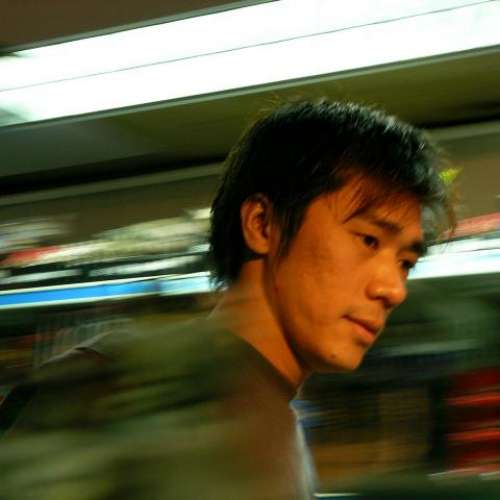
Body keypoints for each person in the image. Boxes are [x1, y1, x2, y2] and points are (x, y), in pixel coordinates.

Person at [0, 100, 453, 500]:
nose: (393, 288)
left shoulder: (278, 423)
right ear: (262, 225)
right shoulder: (112, 388)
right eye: (368, 240)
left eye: (406, 262)